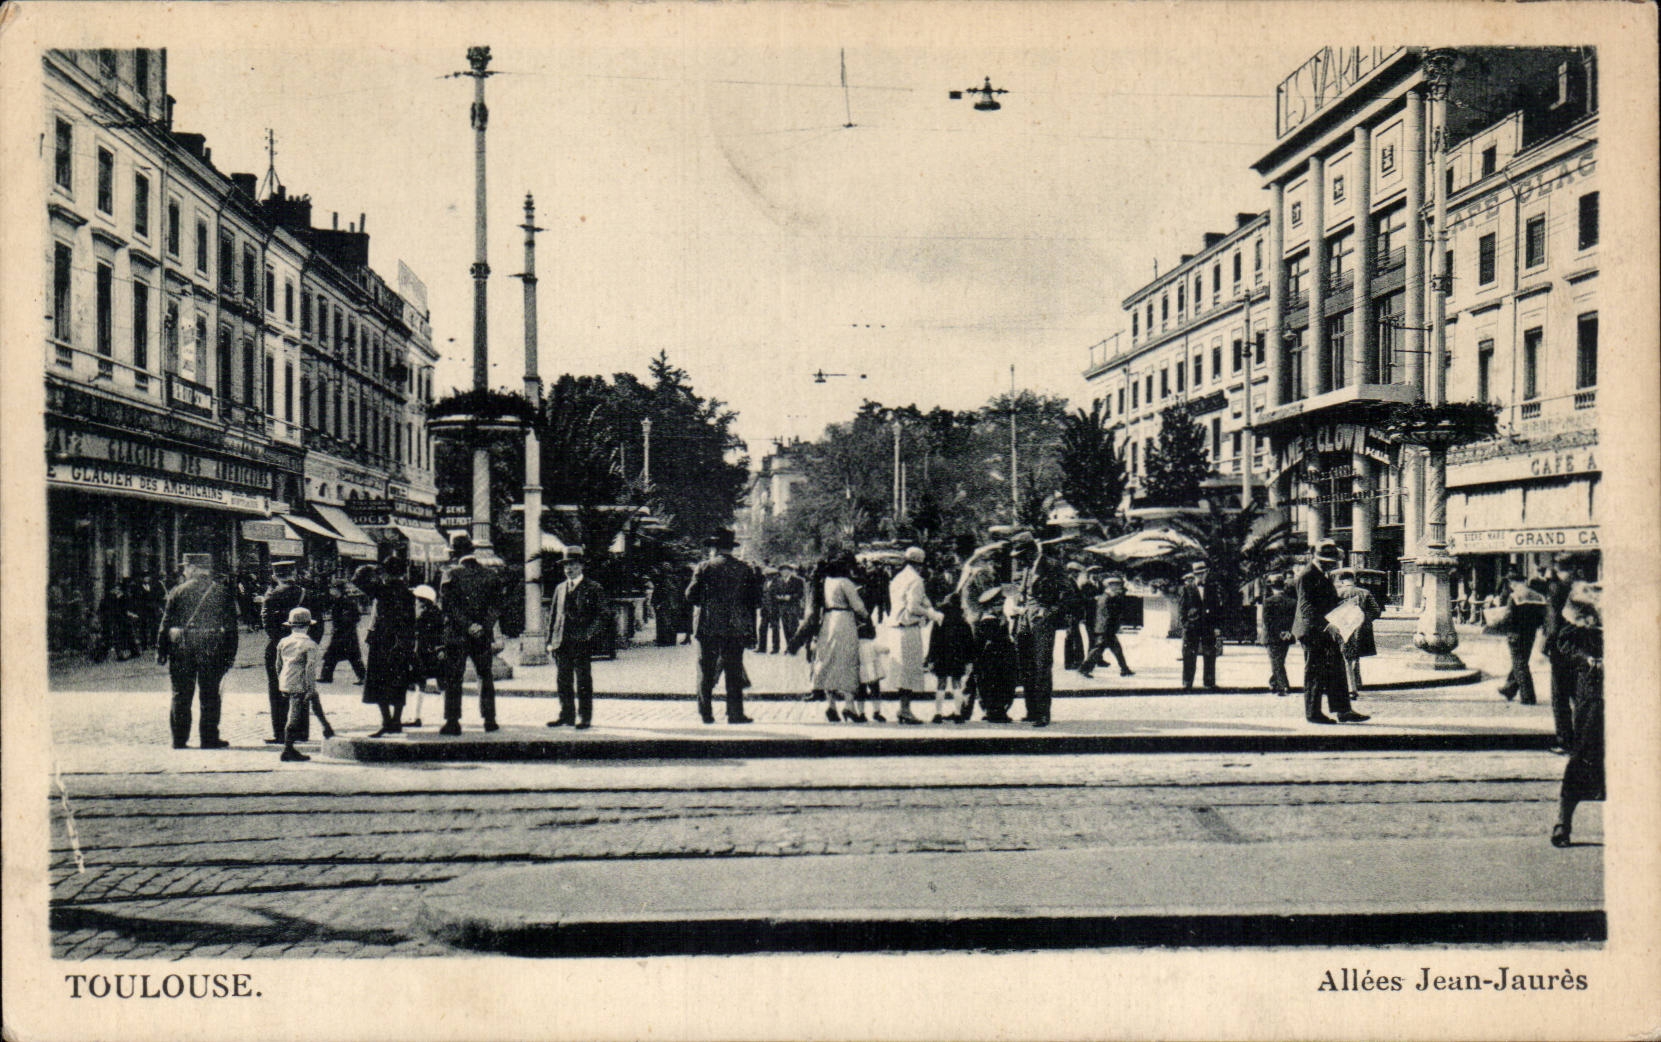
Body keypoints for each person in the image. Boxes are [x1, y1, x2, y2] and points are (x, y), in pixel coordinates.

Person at [155, 553, 238, 750]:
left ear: (192, 569)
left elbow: (165, 624)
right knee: (210, 695)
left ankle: (179, 740)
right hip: (212, 649)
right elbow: (232, 628)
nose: (184, 571)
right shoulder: (222, 592)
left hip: (182, 649)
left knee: (180, 694)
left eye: (186, 567)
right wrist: (230, 654)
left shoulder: (177, 591)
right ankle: (209, 739)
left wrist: (161, 650)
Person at [1548, 581, 1602, 847]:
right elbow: (1564, 640)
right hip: (1595, 691)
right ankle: (1563, 822)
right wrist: (1587, 658)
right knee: (1583, 755)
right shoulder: (1585, 597)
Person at [686, 528, 759, 724]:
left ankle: (706, 713)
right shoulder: (745, 569)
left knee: (706, 670)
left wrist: (708, 602)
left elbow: (690, 595)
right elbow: (753, 601)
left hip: (708, 626)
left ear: (714, 548)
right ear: (730, 548)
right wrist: (752, 632)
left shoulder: (705, 567)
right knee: (734, 671)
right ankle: (735, 714)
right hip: (736, 627)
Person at [1293, 541, 1368, 725]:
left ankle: (1343, 711)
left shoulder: (1321, 574)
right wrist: (1326, 626)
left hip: (1327, 629)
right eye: (1328, 561)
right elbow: (1307, 608)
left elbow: (1327, 602)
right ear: (1316, 558)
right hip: (1313, 631)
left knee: (1336, 668)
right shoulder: (1307, 575)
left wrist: (1346, 606)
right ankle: (1313, 713)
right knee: (1315, 672)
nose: (1331, 564)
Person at [438, 533, 502, 735]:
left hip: (457, 634)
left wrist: (467, 625)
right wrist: (482, 625)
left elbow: (448, 606)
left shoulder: (450, 574)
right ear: (473, 552)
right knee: (485, 675)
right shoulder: (490, 574)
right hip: (482, 635)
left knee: (454, 678)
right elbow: (496, 606)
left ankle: (453, 721)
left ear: (455, 554)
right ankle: (489, 720)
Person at [545, 547, 609, 730]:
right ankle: (566, 715)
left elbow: (604, 615)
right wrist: (550, 640)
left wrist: (589, 634)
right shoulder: (560, 588)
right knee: (563, 680)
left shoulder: (593, 588)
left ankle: (584, 717)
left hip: (581, 642)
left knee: (583, 681)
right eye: (566, 565)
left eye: (572, 564)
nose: (568, 569)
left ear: (581, 566)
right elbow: (553, 616)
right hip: (561, 642)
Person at [1009, 532, 1068, 727]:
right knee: (1025, 666)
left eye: (1022, 554)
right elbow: (1022, 592)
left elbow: (1067, 594)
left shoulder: (1051, 566)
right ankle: (1031, 710)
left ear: (1032, 551)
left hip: (1042, 622)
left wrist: (1049, 612)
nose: (1019, 559)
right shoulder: (1026, 568)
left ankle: (1043, 713)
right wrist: (1017, 611)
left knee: (1042, 666)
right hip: (1024, 620)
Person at [358, 558, 417, 737]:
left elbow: (357, 579)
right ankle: (397, 721)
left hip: (382, 640)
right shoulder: (408, 593)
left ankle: (386, 721)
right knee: (399, 681)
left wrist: (371, 568)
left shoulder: (382, 590)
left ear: (385, 572)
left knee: (378, 681)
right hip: (402, 641)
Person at [260, 560, 317, 744]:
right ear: (293, 573)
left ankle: (281, 733)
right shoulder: (306, 594)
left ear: (275, 575)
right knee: (302, 687)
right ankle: (301, 732)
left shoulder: (271, 596)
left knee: (278, 690)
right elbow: (318, 623)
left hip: (279, 648)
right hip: (304, 645)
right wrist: (309, 643)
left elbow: (268, 626)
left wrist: (283, 643)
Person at [886, 546, 944, 725]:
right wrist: (932, 614)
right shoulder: (916, 580)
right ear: (920, 563)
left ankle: (903, 709)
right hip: (908, 628)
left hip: (895, 627)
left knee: (901, 671)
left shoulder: (898, 578)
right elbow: (913, 607)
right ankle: (905, 709)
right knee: (909, 671)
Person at [275, 606, 333, 762]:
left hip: (286, 680)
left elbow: (278, 664)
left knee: (314, 700)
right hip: (301, 683)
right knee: (294, 716)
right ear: (308, 626)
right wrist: (310, 688)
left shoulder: (283, 642)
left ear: (291, 625)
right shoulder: (310, 644)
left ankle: (327, 728)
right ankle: (288, 749)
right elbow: (309, 668)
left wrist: (282, 681)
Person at [1543, 555, 1587, 752]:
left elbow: (1552, 624)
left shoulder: (1556, 589)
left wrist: (1548, 645)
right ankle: (1582, 741)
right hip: (1582, 648)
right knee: (1578, 696)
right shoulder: (1582, 589)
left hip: (1561, 649)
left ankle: (1565, 740)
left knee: (1560, 697)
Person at [1496, 569, 1545, 705]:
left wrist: (1496, 624)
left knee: (1520, 663)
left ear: (1513, 583)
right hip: (1530, 634)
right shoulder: (1537, 596)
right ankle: (1509, 689)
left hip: (1515, 633)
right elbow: (1542, 617)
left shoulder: (1515, 596)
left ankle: (1528, 696)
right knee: (1521, 660)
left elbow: (1508, 617)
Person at [1332, 568, 1382, 696]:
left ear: (1342, 581)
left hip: (1342, 627)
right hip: (1360, 628)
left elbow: (1330, 612)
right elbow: (1376, 611)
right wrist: (1364, 619)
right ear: (1353, 580)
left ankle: (1348, 686)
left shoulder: (1336, 593)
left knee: (1344, 656)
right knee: (1355, 656)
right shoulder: (1364, 593)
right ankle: (1356, 683)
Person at [925, 596, 973, 723]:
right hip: (958, 657)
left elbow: (933, 641)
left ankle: (938, 714)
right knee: (957, 684)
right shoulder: (964, 623)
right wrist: (969, 661)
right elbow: (969, 644)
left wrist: (930, 658)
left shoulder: (940, 621)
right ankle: (958, 714)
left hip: (942, 656)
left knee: (941, 684)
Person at [1178, 560, 1223, 691]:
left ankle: (1209, 682)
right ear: (1193, 574)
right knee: (1189, 654)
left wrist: (1217, 627)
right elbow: (1182, 609)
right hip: (1191, 627)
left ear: (1206, 573)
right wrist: (1185, 624)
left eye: (1202, 573)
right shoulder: (1187, 589)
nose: (1200, 576)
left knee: (1210, 654)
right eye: (1197, 574)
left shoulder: (1212, 588)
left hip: (1208, 626)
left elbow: (1217, 609)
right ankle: (1187, 682)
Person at [1080, 574, 1135, 679]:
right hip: (1106, 629)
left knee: (1116, 650)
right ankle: (1084, 668)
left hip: (1106, 628)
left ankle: (1125, 669)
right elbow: (1107, 615)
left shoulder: (1107, 597)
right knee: (1098, 650)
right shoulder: (1107, 598)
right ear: (1109, 586)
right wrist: (1111, 628)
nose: (1119, 587)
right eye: (1116, 585)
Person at [407, 584, 444, 728]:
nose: (415, 602)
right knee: (442, 684)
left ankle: (416, 717)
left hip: (423, 653)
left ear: (422, 601)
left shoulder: (421, 615)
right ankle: (450, 717)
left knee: (420, 684)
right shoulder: (438, 613)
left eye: (417, 600)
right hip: (436, 652)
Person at [320, 578, 366, 685]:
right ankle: (326, 676)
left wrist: (342, 624)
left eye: (332, 588)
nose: (331, 590)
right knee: (333, 655)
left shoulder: (346, 601)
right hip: (342, 633)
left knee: (351, 656)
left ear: (338, 589)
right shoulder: (338, 600)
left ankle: (363, 677)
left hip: (346, 634)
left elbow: (354, 617)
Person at [1259, 574, 1297, 697]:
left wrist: (1278, 632)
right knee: (1279, 660)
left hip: (1271, 636)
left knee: (1276, 662)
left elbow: (1267, 621)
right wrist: (1288, 632)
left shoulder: (1268, 601)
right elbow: (1294, 620)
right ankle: (1274, 683)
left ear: (1272, 587)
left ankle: (1283, 686)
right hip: (1286, 636)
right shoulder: (1292, 602)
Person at [756, 567, 785, 653]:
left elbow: (780, 595)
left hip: (774, 609)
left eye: (769, 575)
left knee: (775, 629)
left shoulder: (779, 583)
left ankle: (776, 648)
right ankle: (762, 647)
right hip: (765, 609)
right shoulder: (765, 583)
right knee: (762, 628)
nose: (767, 576)